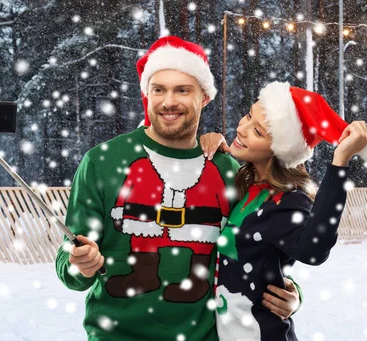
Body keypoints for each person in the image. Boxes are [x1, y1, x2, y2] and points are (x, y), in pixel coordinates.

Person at [55, 36, 302, 341]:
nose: (168, 101)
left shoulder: (228, 171)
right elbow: (71, 267)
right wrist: (81, 264)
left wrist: (291, 295)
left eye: (182, 90)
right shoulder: (102, 162)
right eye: (159, 89)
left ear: (204, 98)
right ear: (148, 94)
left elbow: (263, 251)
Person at [199, 81, 367, 341]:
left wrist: (340, 161)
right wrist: (208, 142)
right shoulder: (243, 186)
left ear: (279, 149)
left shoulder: (286, 201)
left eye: (257, 131)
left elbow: (313, 250)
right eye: (247, 115)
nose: (241, 128)